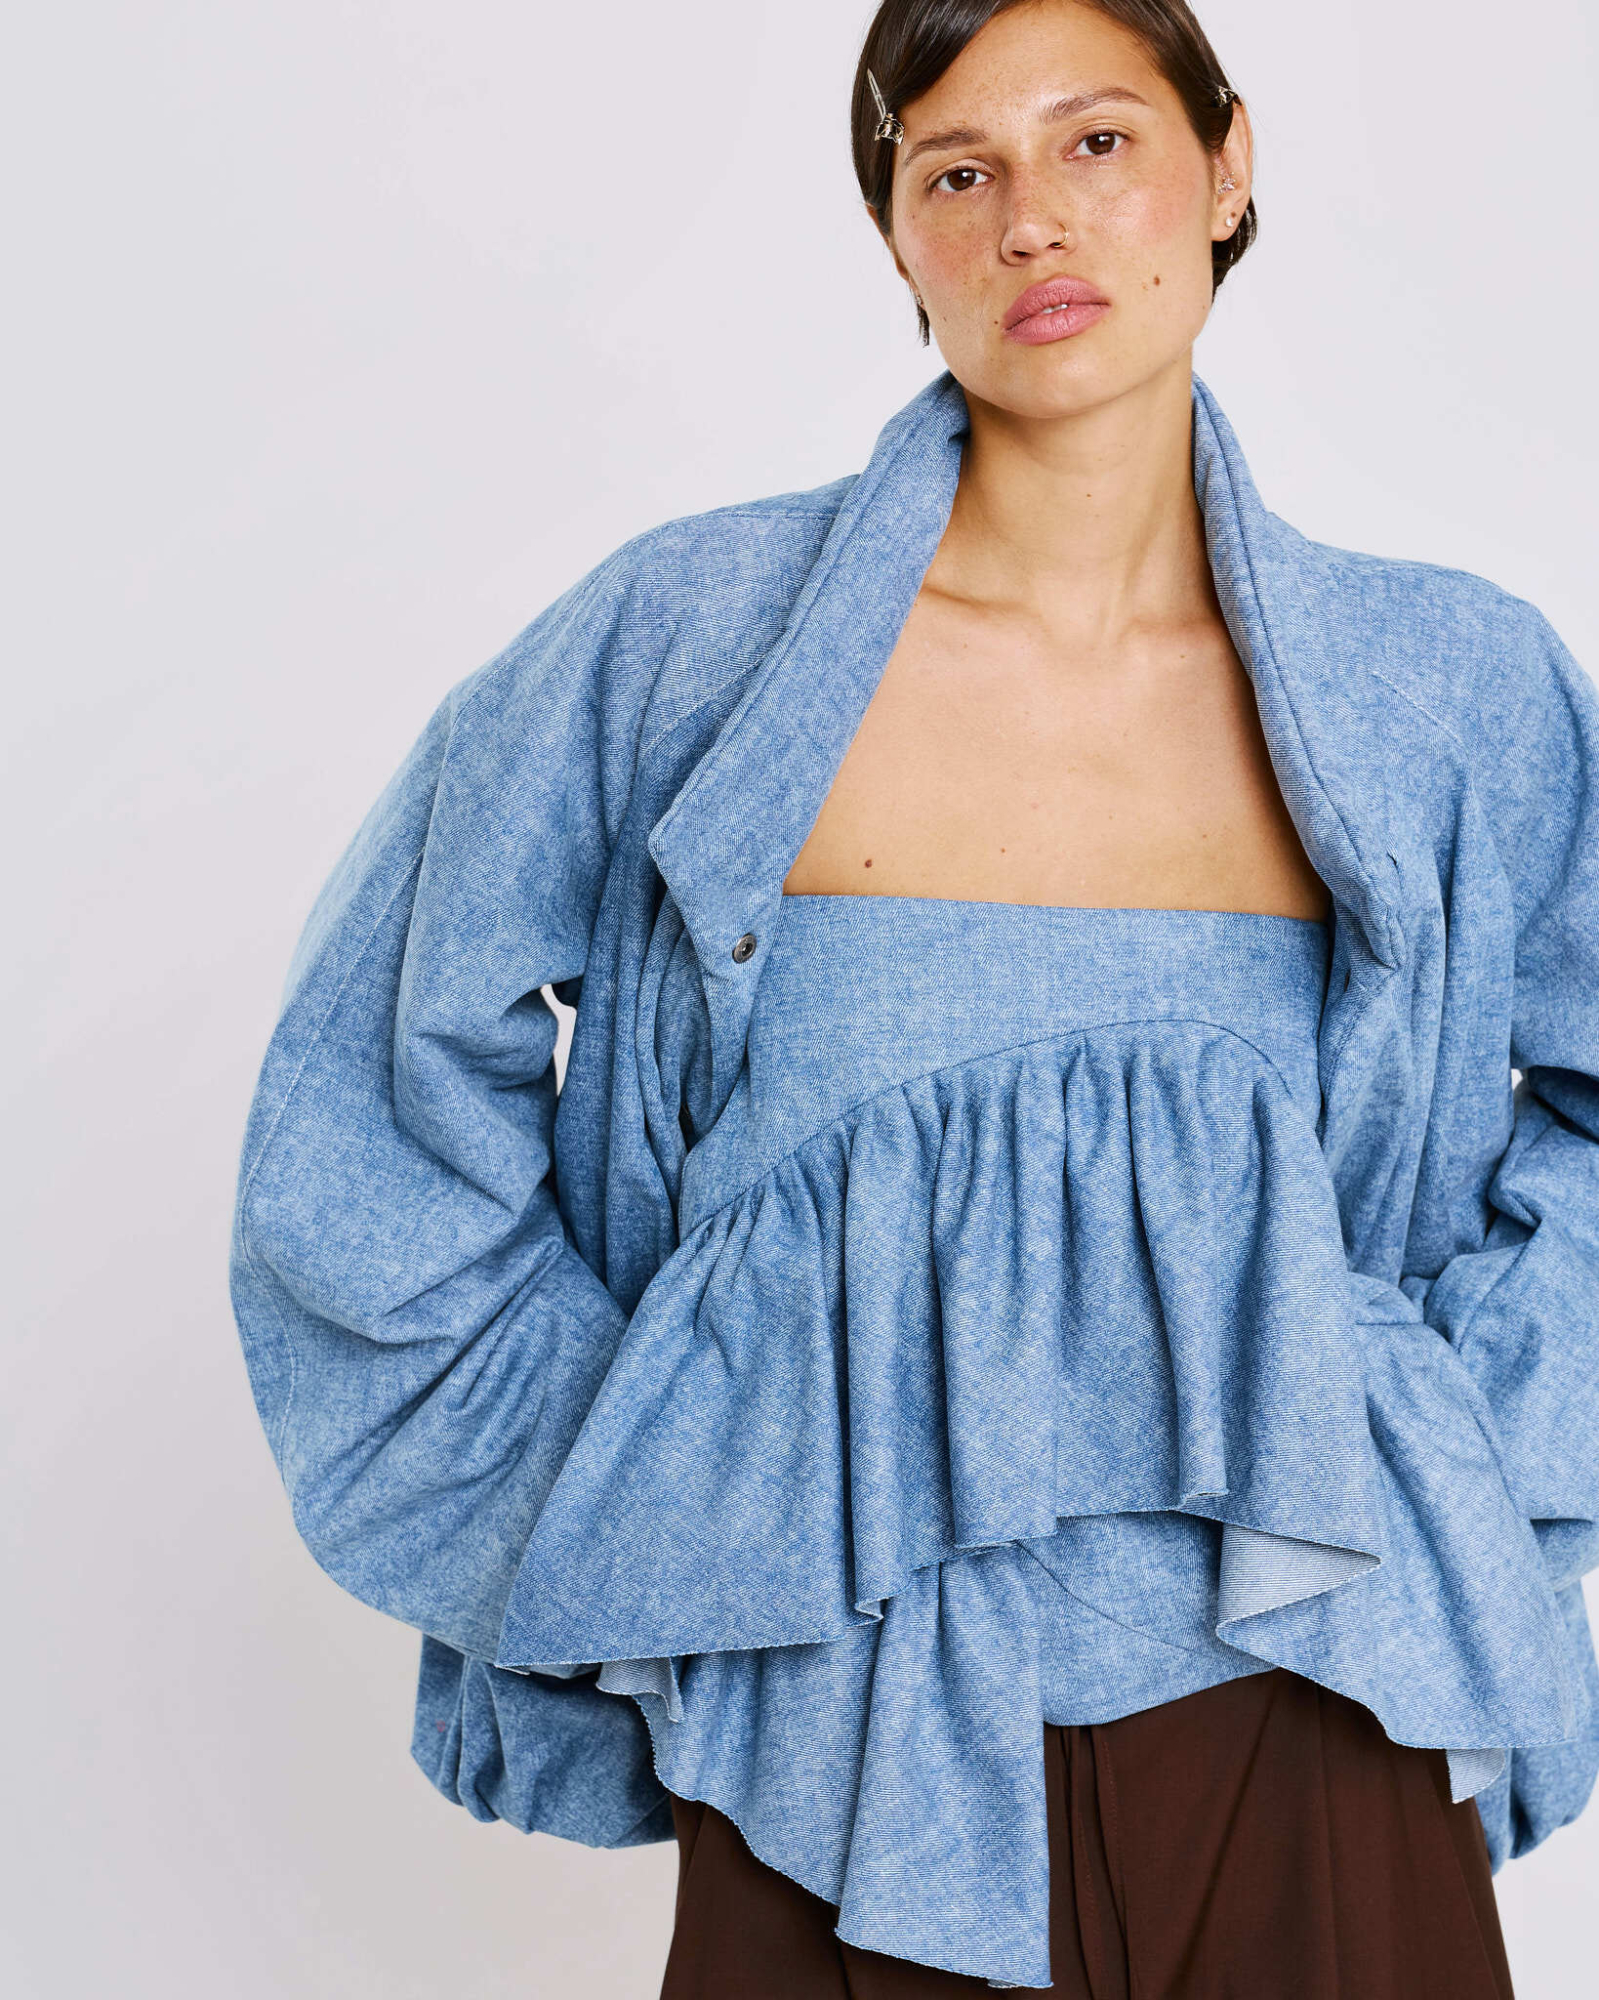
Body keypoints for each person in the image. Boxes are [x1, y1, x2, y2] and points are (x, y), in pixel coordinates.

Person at [228, 1, 1599, 1993]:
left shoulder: (1446, 688)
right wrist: (640, 1485)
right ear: (895, 235)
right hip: (837, 1736)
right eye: (957, 169)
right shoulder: (687, 644)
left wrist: (1470, 1447)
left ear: (1227, 165)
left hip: (1330, 1688)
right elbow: (367, 1110)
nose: (1031, 218)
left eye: (1097, 141)